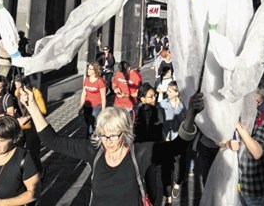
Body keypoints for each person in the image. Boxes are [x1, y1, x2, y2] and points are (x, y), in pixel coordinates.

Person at [19, 85, 205, 206]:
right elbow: (52, 141)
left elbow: (178, 146)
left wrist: (190, 115)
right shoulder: (94, 150)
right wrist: (32, 106)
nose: (107, 142)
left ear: (125, 133)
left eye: (113, 136)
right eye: (103, 136)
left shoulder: (141, 153)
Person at [222, 85, 264, 206]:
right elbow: (217, 141)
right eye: (249, 99)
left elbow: (257, 153)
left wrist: (237, 125)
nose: (252, 104)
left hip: (252, 186)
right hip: (230, 182)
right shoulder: (232, 115)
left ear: (260, 103)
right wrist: (227, 144)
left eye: (256, 101)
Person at [14, 75, 47, 173]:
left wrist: (28, 116)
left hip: (33, 127)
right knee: (18, 150)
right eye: (15, 85)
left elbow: (43, 111)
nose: (16, 87)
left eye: (18, 85)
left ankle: (39, 171)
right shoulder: (17, 92)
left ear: (24, 84)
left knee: (33, 152)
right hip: (20, 127)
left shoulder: (35, 93)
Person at [160, 81, 187, 201]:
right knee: (167, 165)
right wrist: (164, 135)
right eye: (167, 90)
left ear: (177, 93)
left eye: (170, 91)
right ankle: (168, 191)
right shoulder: (163, 104)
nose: (167, 92)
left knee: (180, 162)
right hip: (167, 138)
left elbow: (186, 122)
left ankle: (177, 183)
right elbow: (161, 122)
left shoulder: (183, 106)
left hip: (180, 138)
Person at [80, 60, 107, 136]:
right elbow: (83, 94)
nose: (88, 70)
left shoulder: (100, 81)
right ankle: (95, 133)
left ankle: (89, 139)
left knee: (90, 123)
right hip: (87, 106)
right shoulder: (86, 80)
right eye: (88, 68)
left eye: (90, 69)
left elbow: (103, 96)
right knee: (88, 122)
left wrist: (103, 110)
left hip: (96, 106)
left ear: (95, 70)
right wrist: (81, 107)